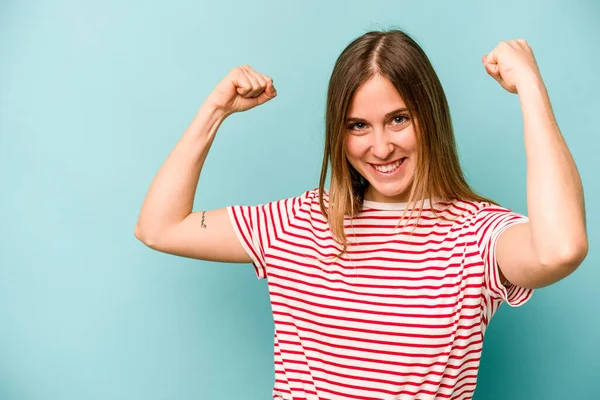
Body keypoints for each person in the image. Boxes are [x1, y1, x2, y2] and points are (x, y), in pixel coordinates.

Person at [134, 29, 588, 400]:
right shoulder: (296, 223)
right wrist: (214, 112)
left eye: (399, 119)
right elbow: (159, 227)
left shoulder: (477, 235)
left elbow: (561, 249)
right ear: (339, 131)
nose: (380, 147)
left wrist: (530, 86)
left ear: (430, 118)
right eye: (358, 126)